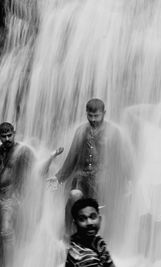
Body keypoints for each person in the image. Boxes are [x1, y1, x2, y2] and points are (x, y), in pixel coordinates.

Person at [49, 98, 132, 239]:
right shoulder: (81, 131)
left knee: (99, 212)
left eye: (96, 116)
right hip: (82, 178)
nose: (93, 119)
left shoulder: (114, 132)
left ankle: (102, 242)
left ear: (104, 113)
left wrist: (127, 181)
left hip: (104, 181)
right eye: (90, 116)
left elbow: (121, 160)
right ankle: (68, 236)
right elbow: (72, 157)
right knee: (74, 196)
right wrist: (58, 178)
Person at [0, 122, 63, 265]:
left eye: (9, 135)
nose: (7, 139)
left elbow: (38, 170)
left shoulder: (23, 151)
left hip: (11, 199)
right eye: (4, 136)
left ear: (14, 133)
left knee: (6, 229)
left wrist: (51, 157)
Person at [65, 198, 115, 267]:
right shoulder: (82, 256)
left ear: (100, 219)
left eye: (93, 217)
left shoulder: (97, 241)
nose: (89, 223)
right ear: (75, 224)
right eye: (82, 219)